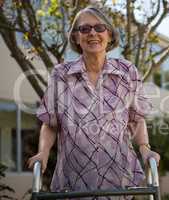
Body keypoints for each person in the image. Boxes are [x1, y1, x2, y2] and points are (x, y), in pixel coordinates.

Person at [27, 5, 160, 199]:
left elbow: (137, 118)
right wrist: (43, 154)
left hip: (118, 179)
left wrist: (145, 149)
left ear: (110, 35)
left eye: (99, 28)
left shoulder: (127, 71)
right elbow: (50, 123)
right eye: (85, 29)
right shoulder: (61, 75)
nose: (93, 33)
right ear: (75, 37)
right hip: (75, 180)